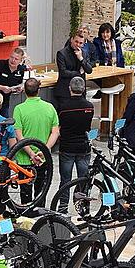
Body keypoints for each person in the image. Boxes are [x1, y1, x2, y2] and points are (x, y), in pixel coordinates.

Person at [13, 78, 60, 206]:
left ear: (24, 91)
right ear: (38, 91)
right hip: (43, 158)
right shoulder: (49, 107)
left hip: (24, 159)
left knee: (25, 194)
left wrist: (31, 154)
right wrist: (44, 150)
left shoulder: (19, 109)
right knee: (41, 191)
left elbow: (18, 135)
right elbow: (55, 132)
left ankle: (26, 220)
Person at [56, 77, 94, 211]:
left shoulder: (63, 107)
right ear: (83, 89)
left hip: (67, 147)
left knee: (65, 179)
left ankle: (63, 206)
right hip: (83, 146)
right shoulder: (89, 106)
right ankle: (81, 204)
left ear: (69, 89)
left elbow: (59, 126)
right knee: (83, 178)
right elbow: (88, 127)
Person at [0, 47, 28, 117]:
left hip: (5, 102)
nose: (13, 60)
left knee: (5, 123)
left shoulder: (21, 70)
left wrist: (18, 89)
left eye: (16, 59)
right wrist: (1, 88)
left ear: (21, 61)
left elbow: (18, 84)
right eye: (11, 57)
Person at [55, 29, 93, 110]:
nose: (78, 45)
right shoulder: (62, 53)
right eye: (76, 42)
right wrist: (79, 73)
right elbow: (63, 73)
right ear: (71, 39)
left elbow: (89, 70)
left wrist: (81, 59)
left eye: (80, 43)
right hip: (65, 92)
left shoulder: (84, 53)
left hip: (80, 92)